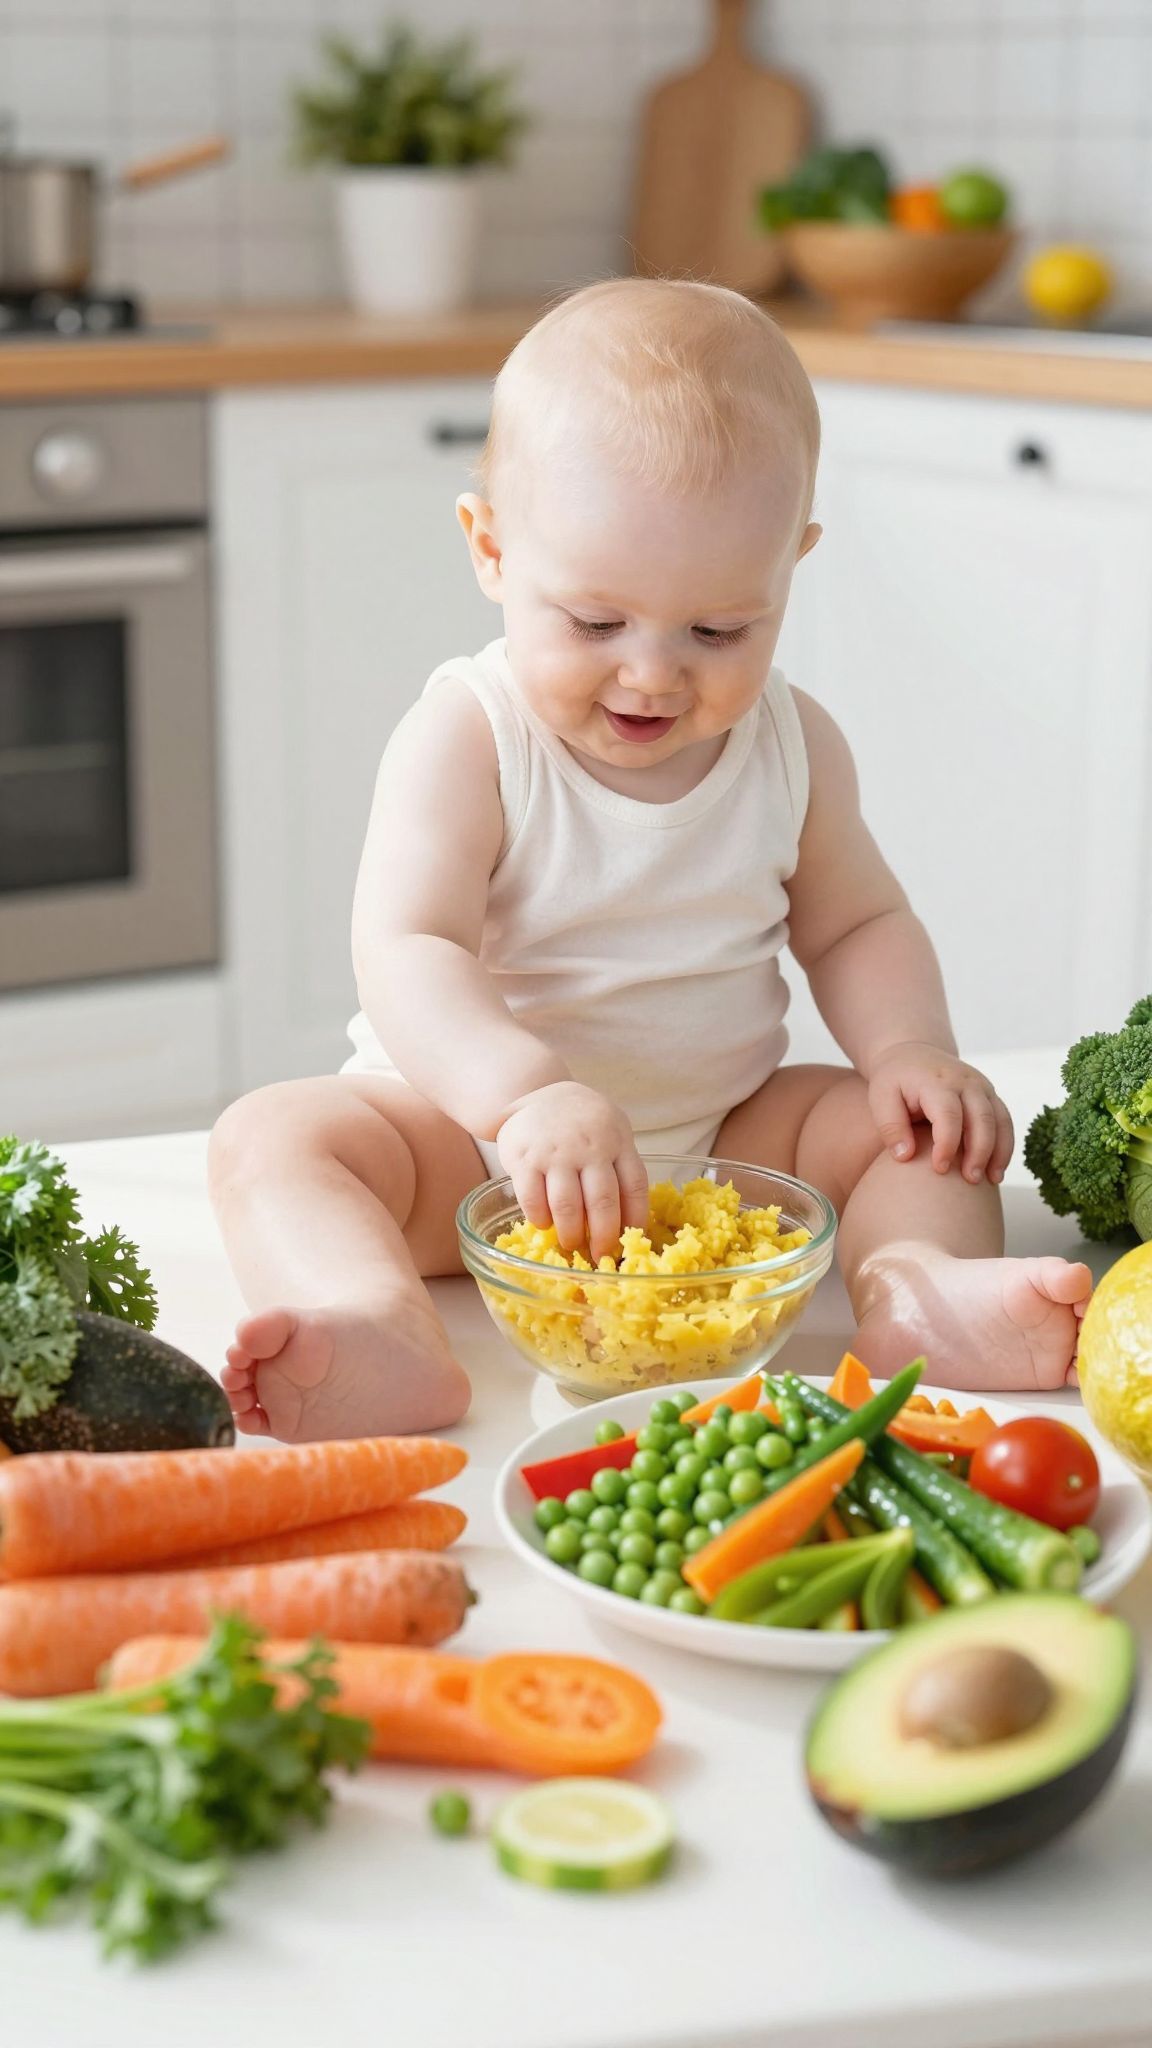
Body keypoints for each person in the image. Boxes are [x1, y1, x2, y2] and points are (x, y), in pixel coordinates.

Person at [209, 278, 1091, 1442]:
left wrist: (910, 1051)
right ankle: (373, 1318)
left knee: (920, 1136)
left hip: (726, 1145)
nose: (653, 675)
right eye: (595, 623)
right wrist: (521, 1097)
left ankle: (915, 1291)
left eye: (720, 630)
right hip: (471, 1147)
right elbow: (405, 943)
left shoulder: (794, 741)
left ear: (793, 565)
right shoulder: (470, 733)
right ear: (490, 549)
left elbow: (857, 924)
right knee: (271, 1139)